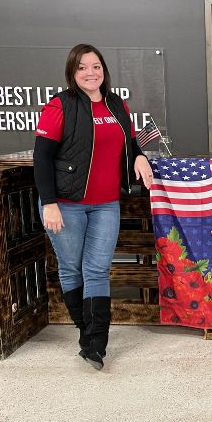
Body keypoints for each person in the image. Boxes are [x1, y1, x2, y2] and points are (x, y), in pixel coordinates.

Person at [34, 44, 154, 370]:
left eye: (96, 66)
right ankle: (86, 333)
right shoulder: (60, 106)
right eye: (83, 67)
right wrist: (50, 204)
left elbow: (128, 141)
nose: (90, 73)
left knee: (98, 269)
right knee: (72, 268)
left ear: (104, 70)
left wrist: (139, 154)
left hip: (106, 204)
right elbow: (42, 158)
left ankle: (96, 344)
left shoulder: (117, 104)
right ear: (72, 73)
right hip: (66, 204)